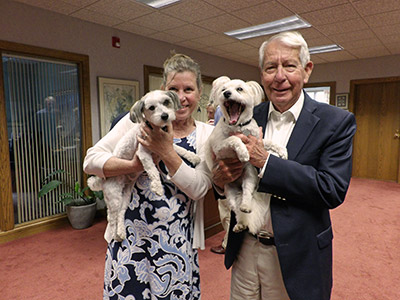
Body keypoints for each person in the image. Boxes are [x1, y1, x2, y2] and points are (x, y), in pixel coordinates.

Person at [212, 31, 357, 300]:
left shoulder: (336, 122)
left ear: (306, 70)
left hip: (296, 256)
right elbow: (226, 177)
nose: (279, 76)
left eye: (289, 66)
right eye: (270, 68)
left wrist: (266, 162)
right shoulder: (246, 114)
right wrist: (219, 181)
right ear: (262, 74)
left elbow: (332, 189)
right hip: (245, 248)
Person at [83, 53, 214, 300]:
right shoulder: (138, 121)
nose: (182, 97)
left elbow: (199, 189)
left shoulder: (208, 134)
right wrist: (133, 165)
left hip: (175, 244)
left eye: (189, 89)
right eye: (174, 88)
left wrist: (166, 151)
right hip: (130, 238)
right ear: (164, 90)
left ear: (199, 93)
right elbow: (91, 161)